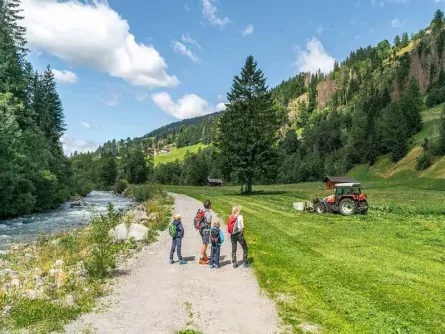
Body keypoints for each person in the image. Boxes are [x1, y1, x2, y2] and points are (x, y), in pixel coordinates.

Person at [199, 199, 212, 265]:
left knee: (205, 242)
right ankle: (201, 259)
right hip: (206, 230)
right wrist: (210, 228)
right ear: (209, 205)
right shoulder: (208, 213)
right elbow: (209, 221)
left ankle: (205, 256)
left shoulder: (202, 211)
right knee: (205, 244)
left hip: (201, 229)